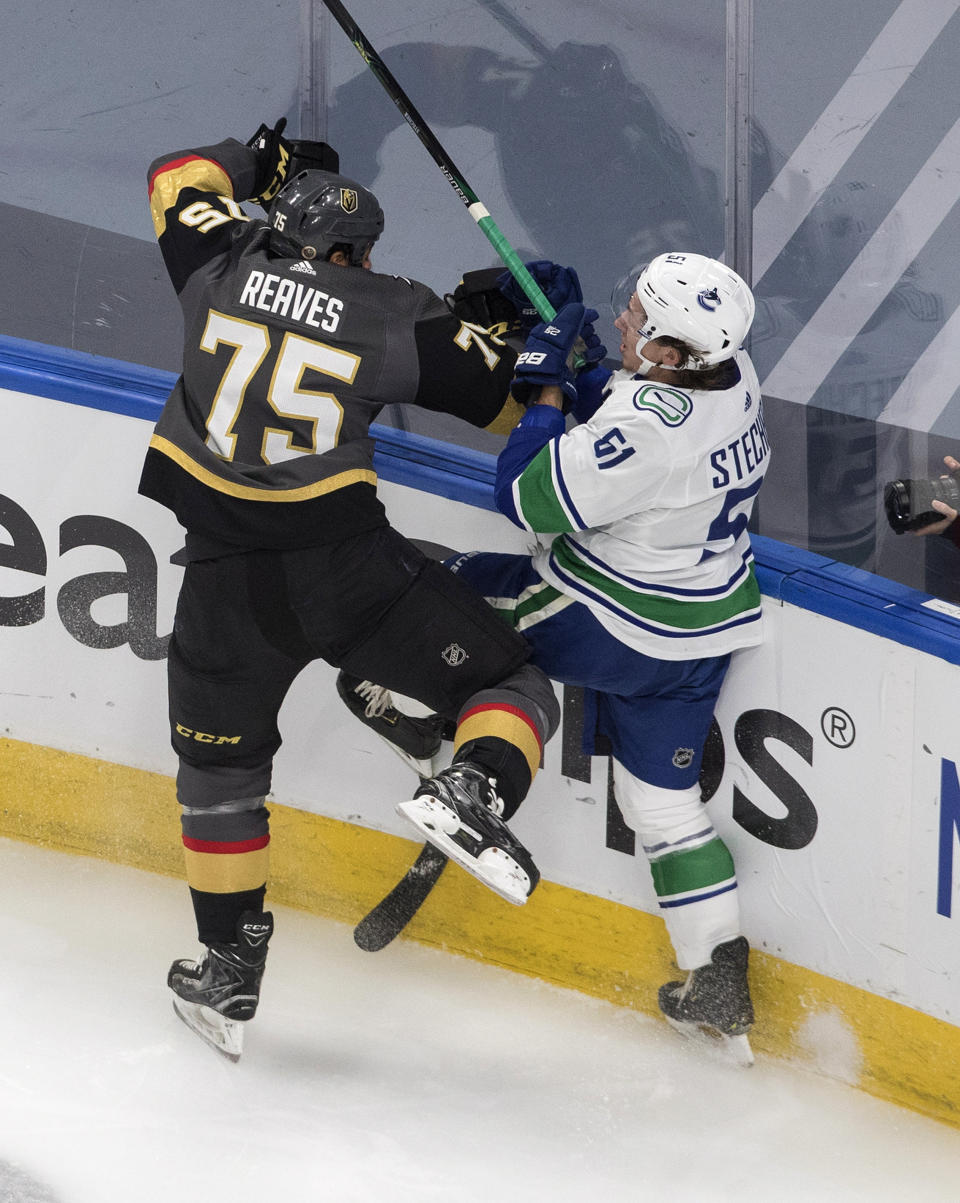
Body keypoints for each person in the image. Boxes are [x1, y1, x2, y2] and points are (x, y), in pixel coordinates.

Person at [138, 120, 569, 1058]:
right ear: (356, 251)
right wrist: (517, 340)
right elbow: (514, 404)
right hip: (346, 569)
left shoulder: (214, 262)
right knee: (517, 689)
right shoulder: (394, 311)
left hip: (220, 578)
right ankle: (473, 784)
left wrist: (264, 163)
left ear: (272, 222)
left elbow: (176, 173)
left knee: (219, 773)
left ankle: (228, 966)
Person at [345, 252, 767, 1062]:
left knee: (426, 601)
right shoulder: (734, 374)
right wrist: (587, 382)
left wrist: (544, 392)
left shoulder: (650, 430)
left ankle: (432, 729)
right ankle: (714, 976)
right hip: (704, 628)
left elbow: (526, 497)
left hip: (605, 617)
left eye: (637, 321)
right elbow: (636, 408)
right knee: (665, 810)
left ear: (674, 354)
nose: (621, 323)